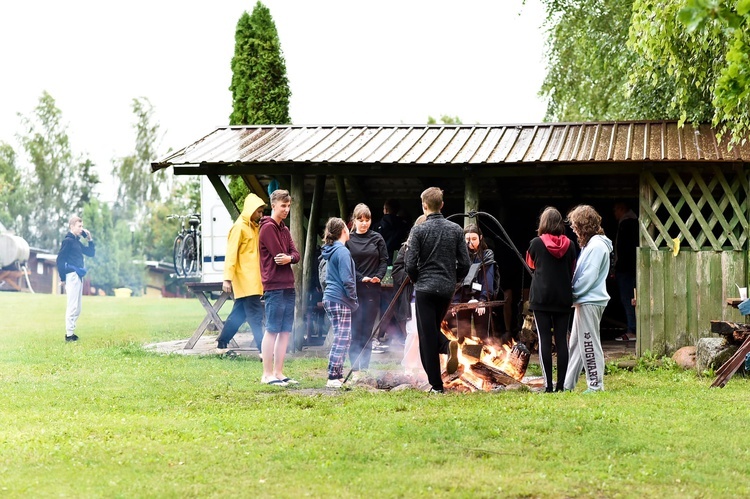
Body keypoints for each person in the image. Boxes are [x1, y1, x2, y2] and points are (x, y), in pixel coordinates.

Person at [405, 187, 471, 393]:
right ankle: (445, 345)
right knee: (431, 330)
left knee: (426, 337)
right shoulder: (456, 230)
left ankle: (436, 385)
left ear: (424, 206)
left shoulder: (418, 230)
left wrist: (418, 280)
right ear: (442, 205)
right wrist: (454, 279)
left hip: (425, 288)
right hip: (446, 289)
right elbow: (465, 263)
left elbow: (409, 264)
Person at [525, 207, 577, 393]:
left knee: (545, 340)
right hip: (563, 298)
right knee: (562, 341)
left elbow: (531, 264)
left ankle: (548, 385)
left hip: (541, 298)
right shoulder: (570, 244)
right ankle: (561, 385)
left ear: (543, 223)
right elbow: (573, 269)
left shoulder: (536, 243)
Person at [563, 205, 612, 393]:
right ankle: (567, 385)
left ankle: (596, 385)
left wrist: (572, 294)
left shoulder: (597, 246)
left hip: (590, 301)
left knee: (589, 343)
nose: (573, 229)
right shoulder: (592, 244)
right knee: (576, 345)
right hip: (584, 301)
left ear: (584, 226)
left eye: (575, 226)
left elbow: (588, 277)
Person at [258, 189, 301, 387]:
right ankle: (267, 374)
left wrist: (290, 257)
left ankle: (279, 372)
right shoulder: (267, 228)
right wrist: (289, 257)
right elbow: (279, 255)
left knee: (285, 331)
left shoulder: (284, 229)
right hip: (274, 286)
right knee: (272, 330)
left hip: (288, 285)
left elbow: (294, 254)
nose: (286, 209)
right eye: (283, 206)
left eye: (288, 205)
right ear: (273, 205)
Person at [216, 193, 266, 354]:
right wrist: (227, 279)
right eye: (258, 211)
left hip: (252, 281)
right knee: (256, 316)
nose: (261, 214)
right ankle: (262, 350)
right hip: (246, 281)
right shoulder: (239, 228)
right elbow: (231, 254)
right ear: (250, 210)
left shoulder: (254, 228)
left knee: (238, 314)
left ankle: (221, 345)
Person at [346, 203, 388, 372]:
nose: (364, 223)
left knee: (368, 330)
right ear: (354, 221)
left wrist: (379, 276)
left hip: (373, 289)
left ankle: (364, 367)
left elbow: (384, 260)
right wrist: (360, 277)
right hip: (354, 290)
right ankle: (354, 368)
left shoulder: (377, 238)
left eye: (367, 219)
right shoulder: (348, 240)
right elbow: (346, 265)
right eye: (360, 220)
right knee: (355, 329)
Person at [320, 217, 359, 389]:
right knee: (342, 338)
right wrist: (353, 298)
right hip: (339, 298)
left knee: (344, 336)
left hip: (332, 297)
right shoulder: (342, 251)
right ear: (343, 231)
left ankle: (338, 374)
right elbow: (347, 279)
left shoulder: (333, 250)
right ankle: (332, 376)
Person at [447, 224, 497, 341]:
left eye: (474, 239)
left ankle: (484, 357)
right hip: (462, 299)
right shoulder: (459, 256)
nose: (471, 242)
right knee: (463, 336)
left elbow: (488, 278)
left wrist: (483, 299)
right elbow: (456, 279)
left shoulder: (487, 254)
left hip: (480, 297)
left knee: (482, 336)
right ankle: (464, 358)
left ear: (480, 237)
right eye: (467, 239)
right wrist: (455, 301)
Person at [392, 215, 427, 381]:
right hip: (412, 297)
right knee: (413, 332)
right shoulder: (406, 249)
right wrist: (411, 275)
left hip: (430, 295)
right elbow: (396, 271)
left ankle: (424, 366)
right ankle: (409, 366)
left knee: (427, 333)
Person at [57, 215, 95, 342]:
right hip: (72, 275)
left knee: (78, 307)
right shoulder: (67, 241)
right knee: (72, 306)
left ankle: (71, 332)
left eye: (82, 226)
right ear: (72, 226)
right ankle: (69, 335)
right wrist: (63, 278)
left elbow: (91, 253)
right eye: (79, 226)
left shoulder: (77, 242)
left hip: (78, 275)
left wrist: (89, 239)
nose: (81, 229)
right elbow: (60, 259)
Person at [613, 201, 638, 342]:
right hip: (631, 268)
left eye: (616, 210)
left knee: (628, 298)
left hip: (626, 269)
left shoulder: (626, 224)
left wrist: (618, 266)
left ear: (622, 208)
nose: (614, 214)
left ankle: (632, 330)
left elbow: (624, 250)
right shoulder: (633, 222)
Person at [376, 198, 410, 265]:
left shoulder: (376, 226)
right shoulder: (404, 226)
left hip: (380, 261)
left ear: (385, 210)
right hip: (400, 261)